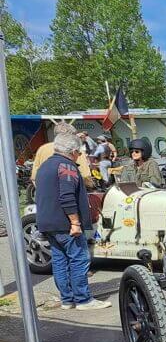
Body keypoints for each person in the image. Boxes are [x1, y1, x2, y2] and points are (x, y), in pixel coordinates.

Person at [33, 129, 110, 311]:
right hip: (66, 224)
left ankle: (67, 300)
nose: (80, 155)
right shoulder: (67, 167)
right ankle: (83, 300)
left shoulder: (45, 166)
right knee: (79, 259)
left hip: (48, 222)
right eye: (79, 152)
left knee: (60, 261)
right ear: (73, 151)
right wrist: (75, 222)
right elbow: (67, 197)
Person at [31, 122, 93, 188]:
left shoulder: (43, 149)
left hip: (46, 192)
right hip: (70, 192)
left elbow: (35, 177)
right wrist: (90, 185)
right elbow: (85, 176)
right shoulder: (75, 150)